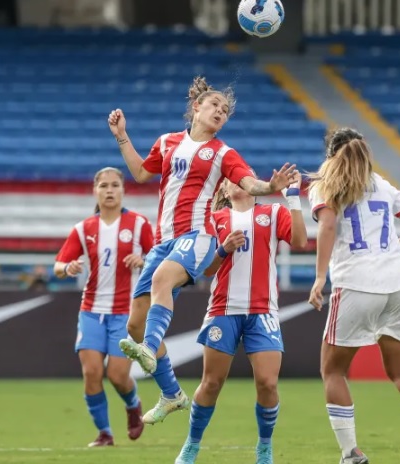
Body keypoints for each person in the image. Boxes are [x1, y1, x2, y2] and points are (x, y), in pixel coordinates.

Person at [107, 76, 298, 424]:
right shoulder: (167, 143)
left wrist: (270, 186)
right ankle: (171, 394)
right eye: (215, 106)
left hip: (198, 236)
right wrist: (122, 135)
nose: (220, 113)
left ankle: (150, 349)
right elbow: (139, 172)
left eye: (225, 112)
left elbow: (248, 183)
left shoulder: (223, 153)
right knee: (134, 324)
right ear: (197, 107)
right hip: (163, 241)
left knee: (163, 283)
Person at [307, 128, 400, 464]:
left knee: (333, 371)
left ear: (331, 155)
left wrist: (320, 276)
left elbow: (327, 227)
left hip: (356, 283)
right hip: (399, 283)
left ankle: (350, 453)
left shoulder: (325, 185)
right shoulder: (382, 184)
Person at [174, 174, 308, 464]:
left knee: (268, 383)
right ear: (222, 187)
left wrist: (293, 197)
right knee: (211, 383)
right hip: (223, 310)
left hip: (263, 311)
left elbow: (300, 240)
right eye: (229, 179)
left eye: (241, 177)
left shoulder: (272, 213)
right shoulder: (214, 219)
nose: (234, 181)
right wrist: (223, 250)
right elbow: (204, 270)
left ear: (253, 185)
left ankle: (264, 448)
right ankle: (191, 445)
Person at [54, 167, 154, 447]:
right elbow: (58, 265)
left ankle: (133, 404)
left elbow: (159, 259)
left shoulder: (138, 225)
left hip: (125, 311)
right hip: (91, 310)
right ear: (95, 191)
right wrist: (68, 267)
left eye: (115, 185)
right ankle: (105, 433)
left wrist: (143, 261)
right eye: (104, 186)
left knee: (118, 376)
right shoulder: (83, 229)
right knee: (92, 373)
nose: (109, 191)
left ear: (123, 190)